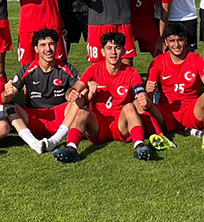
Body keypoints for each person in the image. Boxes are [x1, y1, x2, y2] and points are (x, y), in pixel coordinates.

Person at [66, 32, 156, 161]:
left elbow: (139, 90)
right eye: (109, 48)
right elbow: (78, 86)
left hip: (120, 124)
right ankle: (71, 149)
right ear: (103, 52)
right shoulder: (95, 69)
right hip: (98, 124)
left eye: (117, 48)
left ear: (123, 51)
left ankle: (139, 146)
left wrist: (143, 96)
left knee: (129, 107)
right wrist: (72, 92)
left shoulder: (131, 72)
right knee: (82, 112)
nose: (113, 52)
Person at [1, 29, 85, 154]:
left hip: (60, 117)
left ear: (56, 46)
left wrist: (74, 93)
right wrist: (6, 93)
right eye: (43, 45)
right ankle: (33, 143)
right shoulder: (28, 69)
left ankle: (56, 140)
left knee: (79, 100)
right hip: (35, 118)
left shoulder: (66, 68)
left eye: (51, 44)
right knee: (8, 107)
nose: (48, 49)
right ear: (36, 49)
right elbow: (5, 99)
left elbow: (82, 90)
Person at [144, 23, 204, 149]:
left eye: (180, 40)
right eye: (172, 41)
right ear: (166, 42)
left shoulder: (196, 58)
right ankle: (159, 136)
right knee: (140, 102)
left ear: (185, 40)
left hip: (191, 112)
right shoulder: (157, 62)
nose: (176, 44)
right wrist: (148, 91)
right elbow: (148, 100)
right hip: (167, 114)